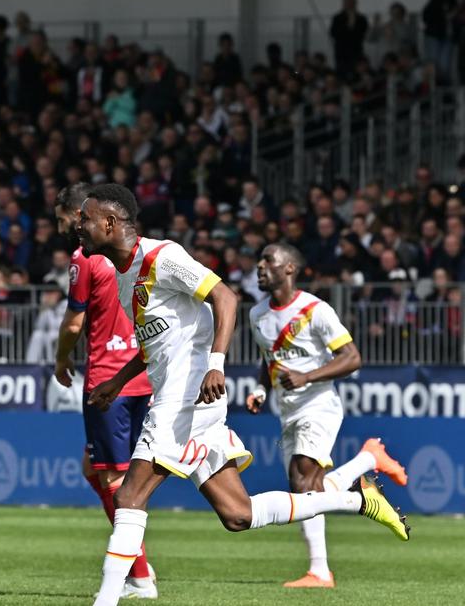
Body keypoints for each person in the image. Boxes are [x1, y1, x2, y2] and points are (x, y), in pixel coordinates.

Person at [74, 184, 408, 606]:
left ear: (109, 222)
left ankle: (106, 601)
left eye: (84, 218)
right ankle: (355, 500)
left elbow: (224, 297)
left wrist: (216, 362)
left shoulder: (162, 256)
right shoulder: (124, 278)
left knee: (128, 496)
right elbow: (158, 344)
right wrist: (118, 382)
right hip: (188, 402)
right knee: (238, 515)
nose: (78, 226)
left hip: (183, 401)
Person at [246, 243, 408, 588]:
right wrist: (262, 389)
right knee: (307, 489)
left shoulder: (315, 310)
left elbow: (352, 357)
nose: (261, 267)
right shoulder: (257, 314)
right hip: (287, 409)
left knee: (303, 480)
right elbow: (269, 358)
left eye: (268, 261)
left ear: (289, 268)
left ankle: (321, 569)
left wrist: (306, 377)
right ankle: (367, 459)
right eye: (260, 261)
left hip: (319, 404)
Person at [52, 185, 156, 599]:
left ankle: (141, 577)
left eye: (65, 218)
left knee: (114, 477)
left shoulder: (85, 258)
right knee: (93, 468)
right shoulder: (137, 251)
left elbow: (75, 323)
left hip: (109, 378)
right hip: (143, 373)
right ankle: (137, 571)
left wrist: (61, 359)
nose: (66, 226)